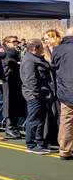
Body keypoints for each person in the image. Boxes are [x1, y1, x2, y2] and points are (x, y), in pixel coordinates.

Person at [20, 39, 55, 154]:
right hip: (34, 95)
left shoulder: (36, 59)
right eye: (41, 47)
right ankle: (31, 144)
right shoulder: (30, 61)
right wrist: (36, 94)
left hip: (42, 94)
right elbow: (31, 80)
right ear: (35, 49)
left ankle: (40, 142)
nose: (43, 49)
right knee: (33, 119)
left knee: (40, 119)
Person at [51, 27, 73, 161]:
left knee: (66, 121)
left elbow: (54, 67)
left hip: (65, 90)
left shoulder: (58, 50)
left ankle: (65, 150)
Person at [1, 36, 26, 139]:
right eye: (13, 42)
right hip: (9, 80)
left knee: (14, 104)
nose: (16, 43)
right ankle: (10, 127)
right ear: (7, 43)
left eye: (17, 41)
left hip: (14, 81)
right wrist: (18, 64)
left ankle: (13, 127)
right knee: (10, 103)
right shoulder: (8, 52)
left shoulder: (14, 52)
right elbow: (10, 63)